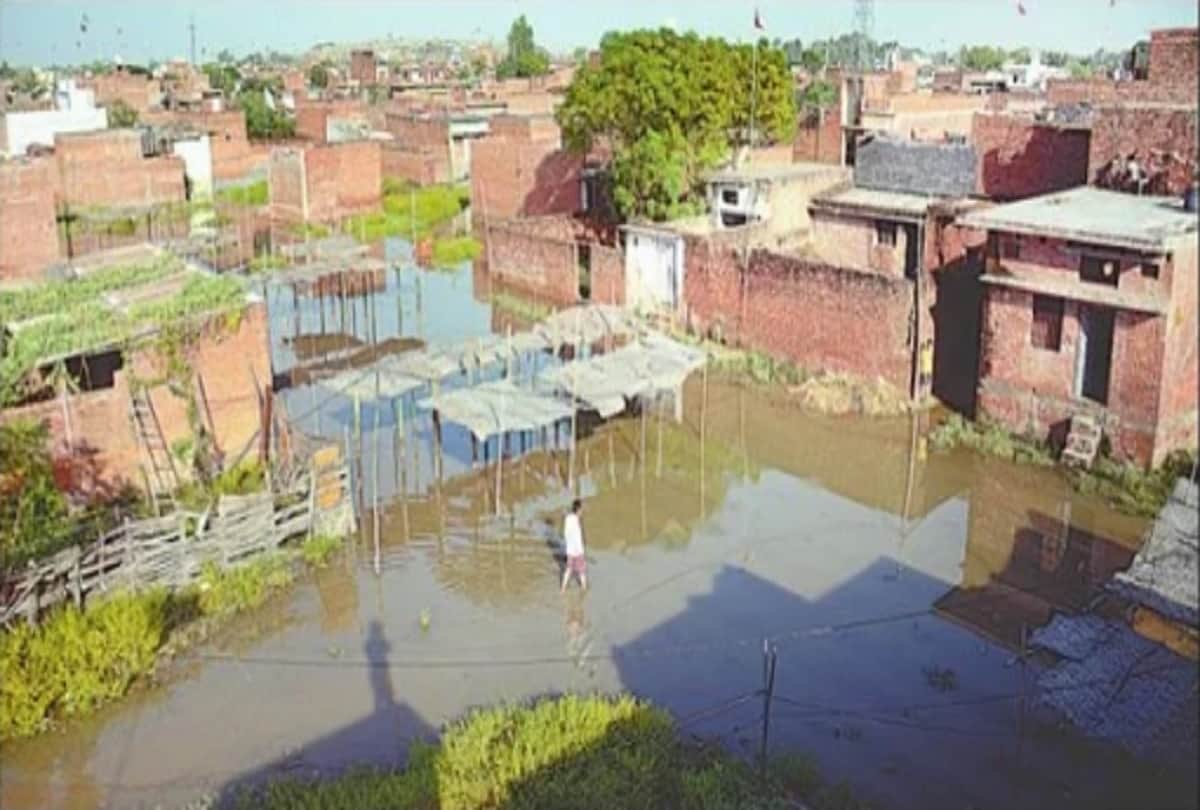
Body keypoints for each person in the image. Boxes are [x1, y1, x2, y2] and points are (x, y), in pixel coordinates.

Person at [561, 498, 587, 592]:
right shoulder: (576, 520)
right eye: (582, 509)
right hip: (577, 550)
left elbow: (565, 534)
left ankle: (563, 589)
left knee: (568, 569)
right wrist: (581, 551)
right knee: (582, 571)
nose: (582, 511)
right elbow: (578, 538)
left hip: (569, 550)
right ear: (578, 509)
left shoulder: (568, 518)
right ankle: (584, 588)